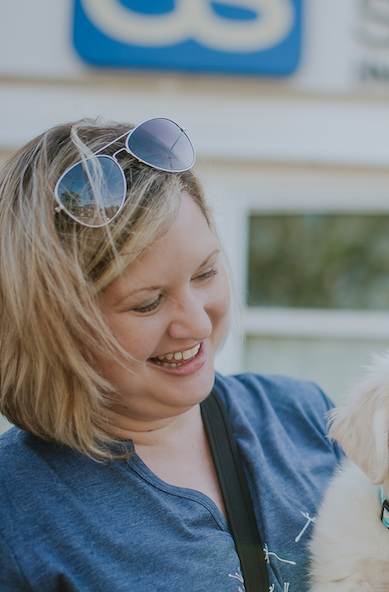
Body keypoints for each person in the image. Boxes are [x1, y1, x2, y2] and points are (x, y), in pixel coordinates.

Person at [0, 117, 344, 590]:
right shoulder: (15, 510)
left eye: (205, 274)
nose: (198, 324)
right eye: (147, 302)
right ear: (52, 322)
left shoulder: (306, 417)